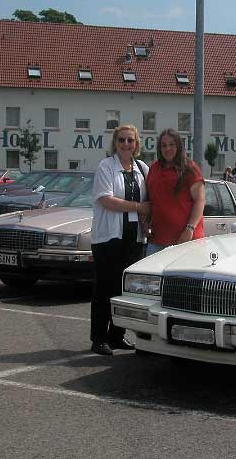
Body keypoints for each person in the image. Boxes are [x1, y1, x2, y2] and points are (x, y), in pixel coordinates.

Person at [90, 125, 150, 356]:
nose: (126, 144)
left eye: (131, 141)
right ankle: (98, 338)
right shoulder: (106, 167)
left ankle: (117, 336)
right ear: (115, 143)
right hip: (108, 237)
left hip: (134, 237)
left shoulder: (142, 168)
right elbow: (106, 200)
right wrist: (138, 206)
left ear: (137, 144)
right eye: (122, 140)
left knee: (124, 289)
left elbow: (150, 202)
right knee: (104, 288)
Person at [145, 128, 205, 256]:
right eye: (164, 145)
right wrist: (144, 223)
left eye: (172, 144)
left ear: (178, 146)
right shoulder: (154, 168)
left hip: (186, 240)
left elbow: (200, 200)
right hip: (157, 240)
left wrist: (190, 229)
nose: (167, 149)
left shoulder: (189, 168)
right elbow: (150, 200)